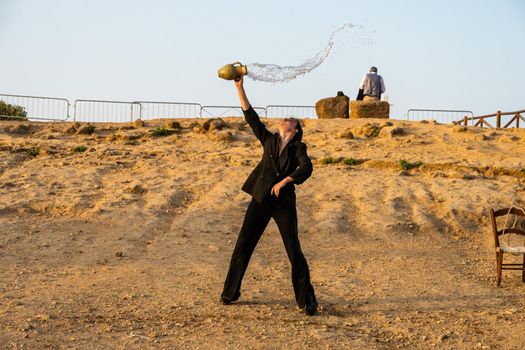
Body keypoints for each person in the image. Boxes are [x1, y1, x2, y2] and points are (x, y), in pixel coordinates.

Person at [220, 75, 318, 316]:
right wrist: (239, 87)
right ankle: (230, 293)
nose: (285, 120)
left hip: (283, 205)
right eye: (285, 119)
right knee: (243, 244)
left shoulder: (298, 148)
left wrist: (286, 180)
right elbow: (251, 117)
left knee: (293, 250)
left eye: (290, 121)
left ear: (295, 131)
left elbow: (306, 168)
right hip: (261, 200)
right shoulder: (269, 140)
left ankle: (307, 301)